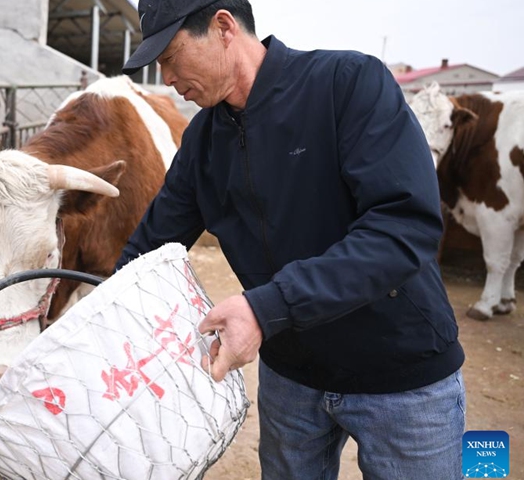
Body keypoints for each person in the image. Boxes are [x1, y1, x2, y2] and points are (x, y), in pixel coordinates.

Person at [115, 0, 466, 478]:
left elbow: (403, 227)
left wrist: (266, 307)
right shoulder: (203, 140)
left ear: (222, 27)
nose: (169, 79)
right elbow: (149, 247)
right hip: (292, 378)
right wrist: (99, 315)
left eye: (172, 57)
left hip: (400, 376)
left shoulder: (346, 84)